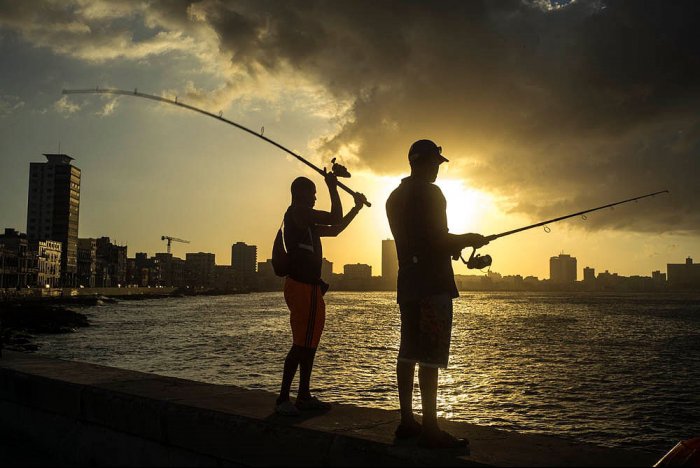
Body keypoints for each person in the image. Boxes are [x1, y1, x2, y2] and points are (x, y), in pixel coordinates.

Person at [385, 139, 489, 449]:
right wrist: (469, 238)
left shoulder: (394, 197)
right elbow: (437, 239)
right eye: (434, 163)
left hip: (408, 281)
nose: (437, 170)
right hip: (432, 283)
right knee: (430, 356)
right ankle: (430, 428)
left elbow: (420, 241)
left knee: (407, 351)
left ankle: (407, 421)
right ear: (421, 162)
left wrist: (453, 245)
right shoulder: (431, 193)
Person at [275, 171, 367, 416]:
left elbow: (336, 228)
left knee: (309, 343)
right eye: (313, 194)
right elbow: (335, 215)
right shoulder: (297, 212)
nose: (315, 199)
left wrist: (356, 209)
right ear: (301, 194)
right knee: (300, 344)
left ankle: (303, 395)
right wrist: (332, 186)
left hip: (310, 288)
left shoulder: (307, 222)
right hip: (303, 287)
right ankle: (284, 398)